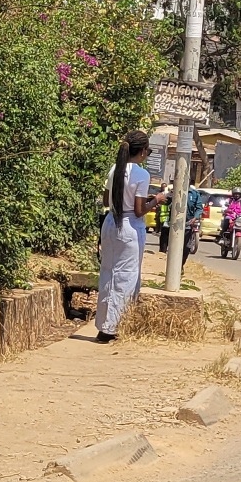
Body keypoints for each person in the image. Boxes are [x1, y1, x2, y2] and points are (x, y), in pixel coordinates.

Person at [95, 131, 156, 344]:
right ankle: (113, 327)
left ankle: (103, 324)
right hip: (129, 226)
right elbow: (139, 210)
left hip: (111, 222)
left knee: (108, 273)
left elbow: (106, 200)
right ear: (142, 152)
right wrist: (155, 200)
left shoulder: (115, 169)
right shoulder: (142, 174)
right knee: (126, 276)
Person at [219, 191, 241, 258]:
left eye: (238, 194)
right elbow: (224, 207)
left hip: (239, 218)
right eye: (235, 194)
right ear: (233, 194)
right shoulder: (229, 200)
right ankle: (222, 238)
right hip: (229, 216)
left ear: (240, 195)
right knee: (226, 222)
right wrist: (225, 210)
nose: (237, 195)